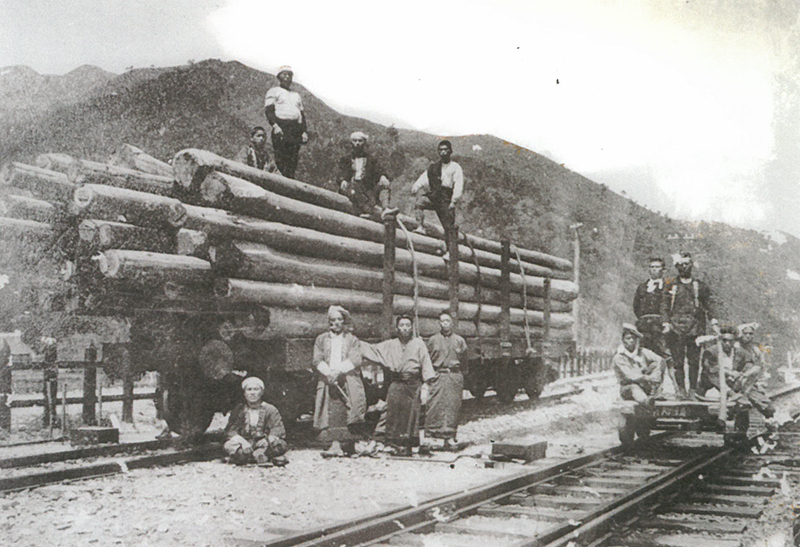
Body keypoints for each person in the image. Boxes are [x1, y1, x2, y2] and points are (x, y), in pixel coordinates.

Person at [360, 315, 435, 456]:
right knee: (392, 412)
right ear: (397, 328)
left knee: (412, 415)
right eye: (402, 325)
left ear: (412, 327)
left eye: (407, 325)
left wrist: (425, 386)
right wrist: (352, 342)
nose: (405, 328)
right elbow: (373, 350)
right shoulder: (390, 344)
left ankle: (407, 445)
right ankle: (393, 443)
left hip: (413, 384)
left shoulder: (418, 343)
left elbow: (426, 363)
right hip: (397, 382)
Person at [312, 305, 370, 457]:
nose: (336, 323)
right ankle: (335, 444)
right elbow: (316, 359)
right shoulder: (321, 339)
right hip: (328, 380)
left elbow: (355, 359)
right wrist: (328, 373)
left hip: (347, 379)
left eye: (339, 319)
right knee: (331, 411)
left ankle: (349, 444)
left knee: (350, 410)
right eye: (332, 320)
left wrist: (338, 371)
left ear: (344, 321)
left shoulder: (352, 340)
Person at [661, 252, 717, 399]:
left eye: (687, 264)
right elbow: (665, 305)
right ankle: (681, 390)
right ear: (677, 267)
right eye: (681, 265)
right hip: (675, 328)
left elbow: (709, 305)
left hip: (695, 329)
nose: (684, 267)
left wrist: (714, 321)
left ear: (691, 265)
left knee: (694, 362)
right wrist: (666, 323)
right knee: (678, 361)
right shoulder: (671, 285)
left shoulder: (699, 286)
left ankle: (693, 390)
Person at [410, 140, 464, 258]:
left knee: (448, 226)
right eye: (441, 150)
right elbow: (424, 177)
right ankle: (420, 226)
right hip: (434, 196)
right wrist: (416, 186)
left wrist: (454, 201)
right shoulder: (434, 167)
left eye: (445, 150)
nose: (443, 152)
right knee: (420, 203)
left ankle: (450, 252)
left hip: (446, 198)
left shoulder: (455, 167)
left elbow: (458, 184)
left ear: (450, 151)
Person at [424, 312, 467, 450]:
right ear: (439, 323)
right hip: (438, 375)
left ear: (452, 322)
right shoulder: (432, 340)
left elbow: (465, 360)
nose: (445, 324)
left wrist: (459, 375)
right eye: (443, 321)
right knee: (435, 405)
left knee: (452, 407)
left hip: (454, 376)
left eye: (448, 321)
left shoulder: (459, 340)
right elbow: (427, 360)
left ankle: (449, 438)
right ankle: (434, 439)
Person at [224, 377, 288, 466]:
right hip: (245, 444)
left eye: (256, 389)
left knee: (279, 444)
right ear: (245, 393)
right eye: (249, 390)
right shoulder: (239, 409)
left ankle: (257, 455)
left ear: (261, 392)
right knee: (229, 445)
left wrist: (267, 439)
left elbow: (277, 429)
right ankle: (257, 457)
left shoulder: (270, 409)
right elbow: (231, 430)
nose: (252, 393)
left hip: (263, 444)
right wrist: (243, 442)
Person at [338, 131, 399, 219]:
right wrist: (342, 180)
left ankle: (385, 208)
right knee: (353, 187)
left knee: (384, 184)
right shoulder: (345, 159)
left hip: (367, 188)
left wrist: (383, 176)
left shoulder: (371, 159)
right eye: (355, 141)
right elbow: (341, 172)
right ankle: (367, 210)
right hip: (351, 187)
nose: (357, 143)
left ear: (364, 143)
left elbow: (379, 170)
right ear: (351, 142)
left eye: (360, 141)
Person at [264, 65, 308, 179]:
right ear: (279, 77)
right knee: (281, 158)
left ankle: (290, 183)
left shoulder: (296, 95)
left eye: (290, 75)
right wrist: (275, 125)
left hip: (295, 128)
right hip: (281, 127)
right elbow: (269, 110)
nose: (287, 77)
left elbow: (301, 115)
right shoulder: (273, 91)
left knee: (293, 159)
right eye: (284, 74)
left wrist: (304, 131)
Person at [613, 323, 666, 405]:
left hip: (645, 384)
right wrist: (648, 378)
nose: (631, 341)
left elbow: (660, 360)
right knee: (634, 388)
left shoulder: (642, 351)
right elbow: (630, 376)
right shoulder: (619, 357)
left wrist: (655, 374)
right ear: (623, 340)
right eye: (628, 338)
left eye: (633, 338)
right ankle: (646, 401)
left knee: (658, 363)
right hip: (628, 387)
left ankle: (656, 393)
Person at [633, 257, 668, 358]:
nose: (654, 269)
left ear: (663, 270)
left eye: (657, 267)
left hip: (660, 326)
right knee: (644, 354)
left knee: (661, 354)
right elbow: (636, 306)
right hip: (644, 326)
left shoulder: (668, 286)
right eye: (651, 267)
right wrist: (643, 318)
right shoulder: (642, 287)